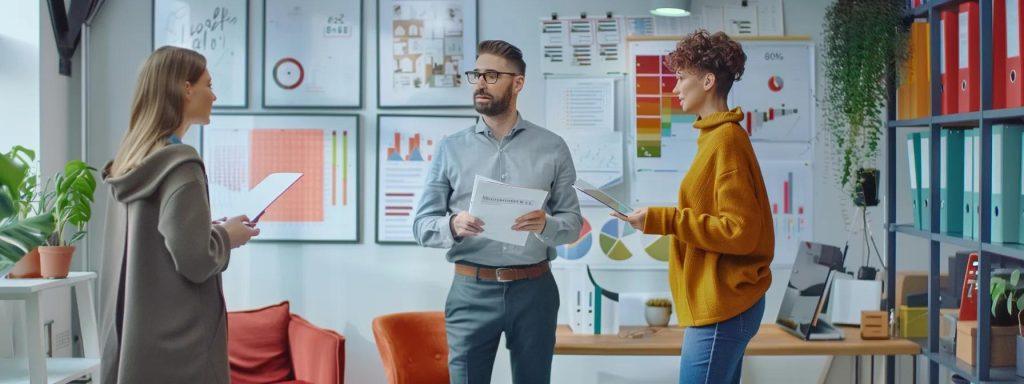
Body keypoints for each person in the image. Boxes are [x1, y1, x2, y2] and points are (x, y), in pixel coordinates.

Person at [413, 40, 583, 384]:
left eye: (491, 75)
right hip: (470, 290)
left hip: (535, 290)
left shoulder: (552, 147)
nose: (479, 83)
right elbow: (422, 225)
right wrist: (453, 224)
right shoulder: (450, 148)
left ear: (517, 83)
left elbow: (573, 224)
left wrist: (547, 224)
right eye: (476, 74)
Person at [612, 30, 774, 384]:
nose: (675, 88)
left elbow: (739, 232)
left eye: (682, 77)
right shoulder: (714, 137)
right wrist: (658, 219)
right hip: (718, 304)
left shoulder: (727, 140)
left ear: (708, 80)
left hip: (722, 305)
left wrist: (661, 219)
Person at [98, 46, 259, 383]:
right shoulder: (181, 163)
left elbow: (154, 244)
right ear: (186, 89)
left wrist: (208, 228)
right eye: (208, 85)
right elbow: (196, 260)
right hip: (181, 348)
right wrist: (229, 235)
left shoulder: (130, 160)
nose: (213, 96)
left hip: (136, 342)